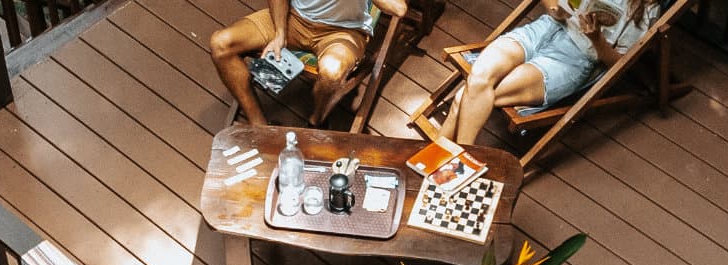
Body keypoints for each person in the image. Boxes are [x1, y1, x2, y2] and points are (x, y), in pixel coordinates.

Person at [438, 0, 660, 145]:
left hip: (574, 58)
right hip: (545, 28)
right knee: (477, 80)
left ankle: (447, 162)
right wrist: (555, 6)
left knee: (465, 96)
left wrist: (597, 39)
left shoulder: (648, 9)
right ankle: (457, 165)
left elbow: (620, 63)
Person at [211, 0, 407, 127]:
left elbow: (399, 8)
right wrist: (280, 33)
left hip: (342, 31)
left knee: (331, 73)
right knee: (221, 44)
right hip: (294, 19)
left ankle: (317, 119)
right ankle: (257, 122)